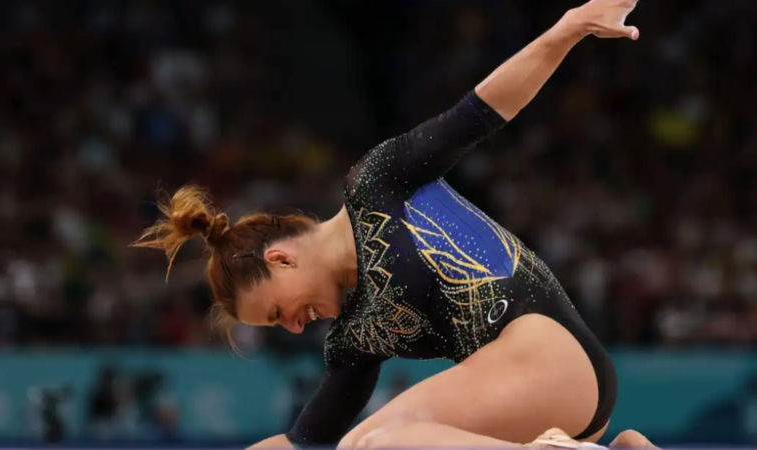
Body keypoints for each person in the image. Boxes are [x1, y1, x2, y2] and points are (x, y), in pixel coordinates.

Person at [134, 0, 643, 447]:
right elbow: (303, 443)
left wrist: (567, 29)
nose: (293, 326)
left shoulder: (377, 184)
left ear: (280, 258)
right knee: (367, 443)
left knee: (376, 444)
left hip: (552, 357)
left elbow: (482, 112)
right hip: (541, 411)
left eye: (276, 313)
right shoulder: (353, 339)